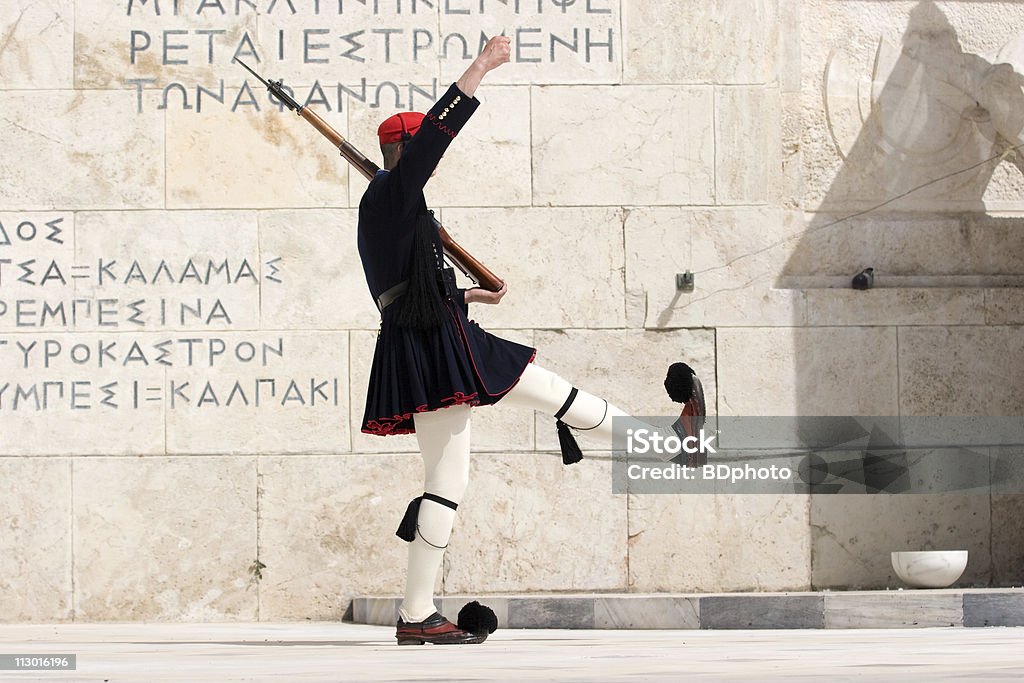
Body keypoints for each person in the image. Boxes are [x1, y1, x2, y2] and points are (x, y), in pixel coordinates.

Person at [356, 35, 705, 646]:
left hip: (444, 338)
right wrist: (481, 69)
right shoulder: (392, 194)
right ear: (404, 150)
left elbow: (404, 294)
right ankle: (414, 613)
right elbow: (439, 132)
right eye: (417, 152)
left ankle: (670, 444)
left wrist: (468, 297)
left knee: (559, 397)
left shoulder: (388, 207)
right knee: (449, 481)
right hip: (437, 352)